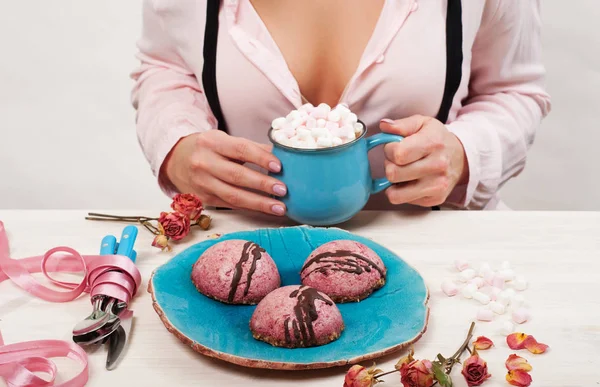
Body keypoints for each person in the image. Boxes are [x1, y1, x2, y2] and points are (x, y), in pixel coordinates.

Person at [131, 0, 551, 216]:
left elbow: (514, 90)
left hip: (437, 257)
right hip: (243, 264)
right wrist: (176, 146)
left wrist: (464, 153)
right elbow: (164, 67)